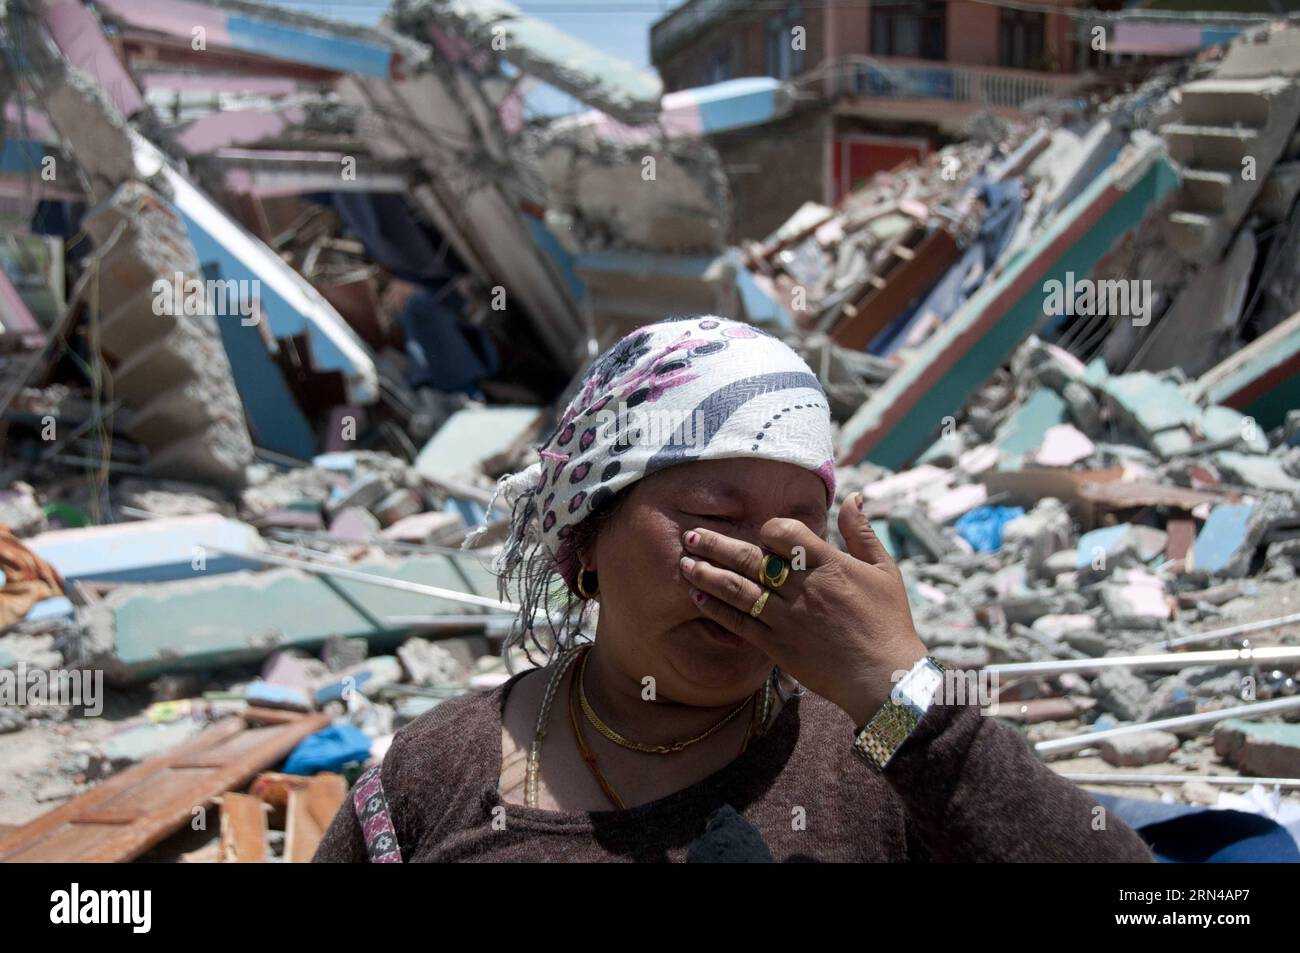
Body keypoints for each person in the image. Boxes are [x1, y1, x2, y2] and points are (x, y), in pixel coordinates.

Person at [315, 317, 1152, 862]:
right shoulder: (437, 773)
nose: (762, 566)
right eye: (713, 513)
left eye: (801, 526)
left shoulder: (882, 762)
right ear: (587, 543)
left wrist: (909, 701)